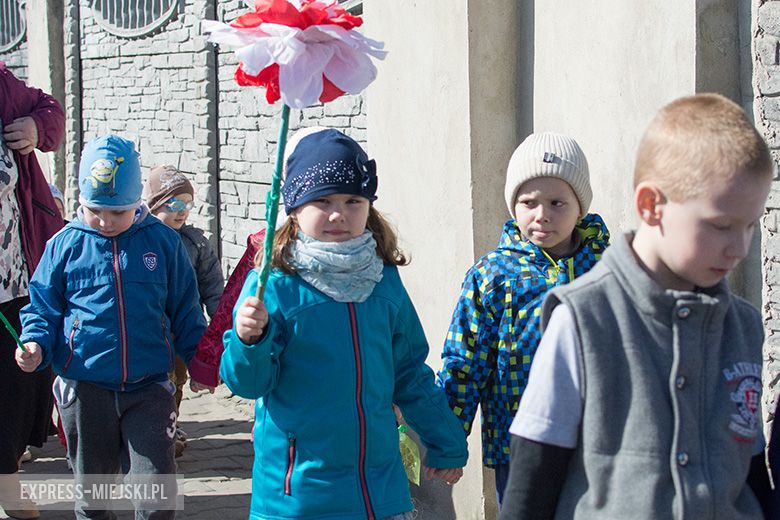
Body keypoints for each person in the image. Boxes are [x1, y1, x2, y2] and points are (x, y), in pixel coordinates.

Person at [499, 93, 774, 520]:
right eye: (721, 225)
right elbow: (534, 478)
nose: (740, 247)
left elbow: (752, 470)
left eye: (751, 225)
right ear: (651, 205)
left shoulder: (743, 327)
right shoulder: (582, 320)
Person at [220, 127, 468, 519]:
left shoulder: (383, 279)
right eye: (322, 200)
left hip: (380, 491)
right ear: (295, 208)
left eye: (353, 200)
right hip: (297, 496)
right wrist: (249, 341)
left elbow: (408, 371)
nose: (339, 213)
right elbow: (249, 384)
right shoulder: (275, 283)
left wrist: (445, 440)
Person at [16, 134, 208, 519]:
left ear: (137, 201)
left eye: (117, 212)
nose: (105, 222)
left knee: (156, 496)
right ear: (80, 201)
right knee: (94, 497)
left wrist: (202, 362)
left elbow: (186, 310)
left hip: (150, 387)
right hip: (85, 391)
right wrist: (35, 342)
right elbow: (41, 307)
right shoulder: (64, 245)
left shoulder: (163, 243)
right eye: (95, 210)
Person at [436, 132, 609, 506]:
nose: (542, 214)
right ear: (513, 206)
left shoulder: (607, 269)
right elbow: (464, 364)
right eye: (528, 202)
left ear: (580, 206)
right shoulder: (491, 276)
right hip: (518, 447)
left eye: (557, 202)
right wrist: (447, 440)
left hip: (598, 444)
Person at [0, 63, 64, 520]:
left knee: (17, 385)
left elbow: (51, 111)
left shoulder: (4, 87)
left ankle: (6, 483)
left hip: (15, 274)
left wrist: (36, 126)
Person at [143, 164, 224, 456]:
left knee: (176, 383)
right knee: (153, 384)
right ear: (153, 206)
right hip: (149, 331)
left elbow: (213, 288)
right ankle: (148, 431)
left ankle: (169, 425)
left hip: (181, 331)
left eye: (188, 204)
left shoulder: (195, 243)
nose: (183, 211)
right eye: (175, 204)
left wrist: (221, 327)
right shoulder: (140, 239)